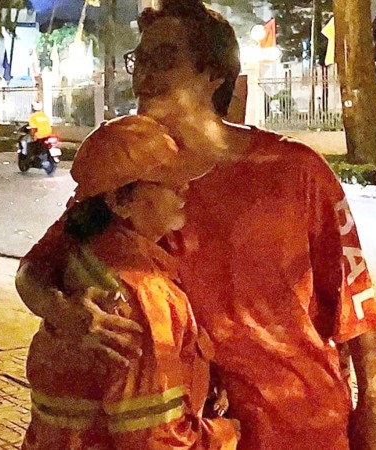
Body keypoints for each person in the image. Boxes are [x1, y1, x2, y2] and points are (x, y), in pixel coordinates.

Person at [16, 1, 376, 449]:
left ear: (213, 74)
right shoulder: (127, 182)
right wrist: (65, 314)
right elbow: (34, 270)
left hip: (302, 425)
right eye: (140, 59)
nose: (144, 74)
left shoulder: (296, 170)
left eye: (164, 59)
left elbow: (355, 306)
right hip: (199, 434)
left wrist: (371, 415)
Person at [19, 114, 239, 450]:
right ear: (121, 200)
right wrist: (227, 433)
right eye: (168, 182)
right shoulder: (144, 296)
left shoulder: (86, 239)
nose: (185, 188)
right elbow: (156, 440)